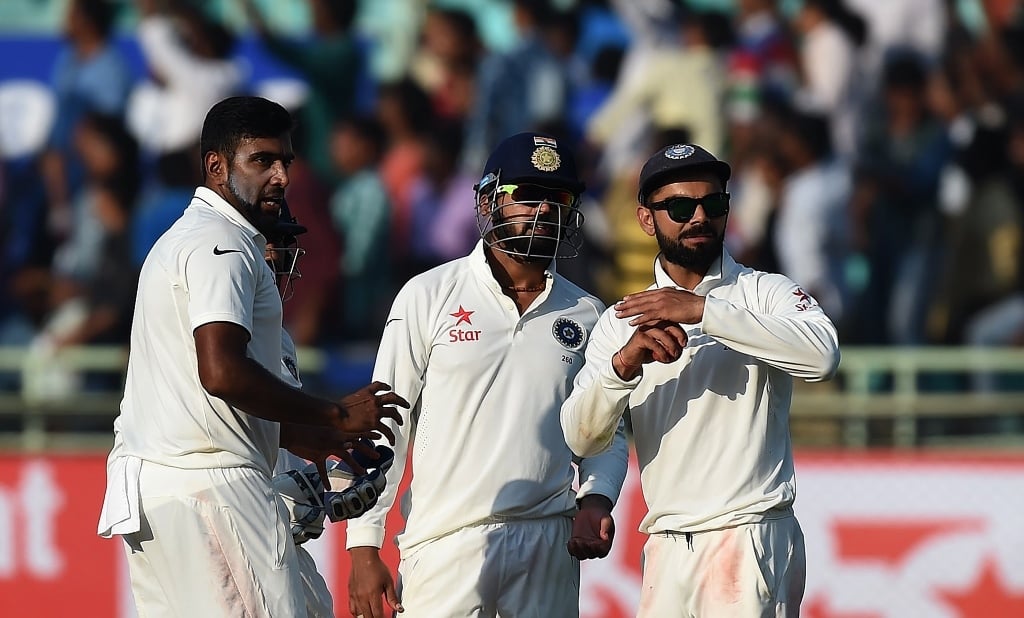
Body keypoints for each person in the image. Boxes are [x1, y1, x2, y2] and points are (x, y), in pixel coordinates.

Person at [96, 96, 408, 617]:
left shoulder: (185, 237)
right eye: (261, 160)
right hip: (212, 488)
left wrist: (307, 436)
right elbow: (220, 372)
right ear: (216, 165)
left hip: (157, 491)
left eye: (285, 160)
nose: (281, 176)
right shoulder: (224, 240)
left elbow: (199, 393)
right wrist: (334, 413)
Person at [347, 132, 629, 618]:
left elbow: (608, 428)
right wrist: (364, 543)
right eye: (527, 195)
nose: (543, 211)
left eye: (558, 198)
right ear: (487, 200)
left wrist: (597, 498)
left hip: (548, 539)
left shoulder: (587, 312)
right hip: (444, 541)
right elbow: (385, 422)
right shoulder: (429, 293)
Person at [560, 143, 841, 616]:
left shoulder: (763, 290)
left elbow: (823, 356)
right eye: (679, 206)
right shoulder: (622, 319)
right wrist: (623, 367)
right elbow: (581, 438)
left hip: (750, 535)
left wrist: (705, 311)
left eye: (713, 204)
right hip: (665, 547)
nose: (698, 217)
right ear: (646, 219)